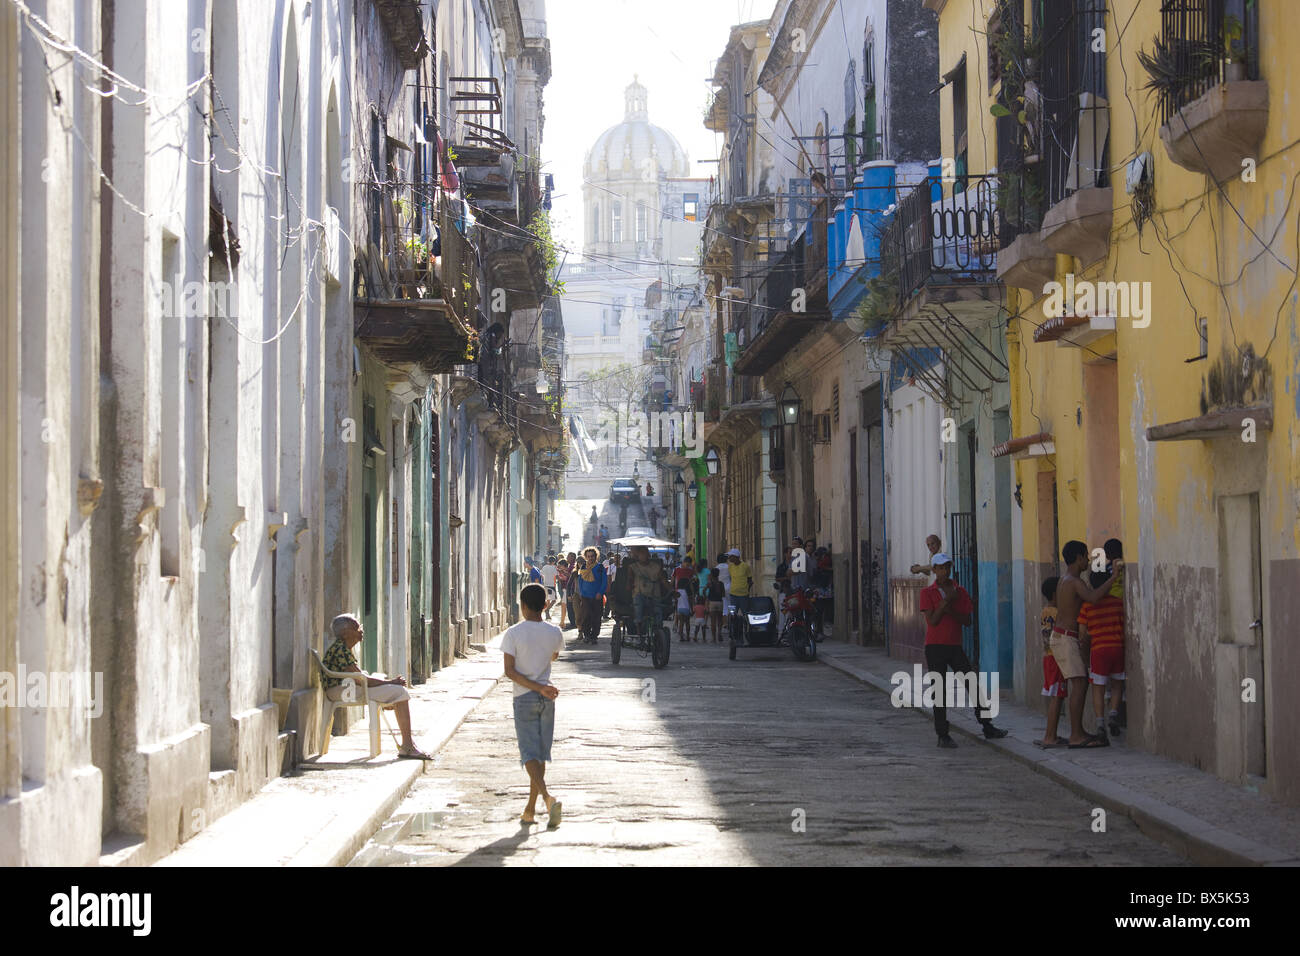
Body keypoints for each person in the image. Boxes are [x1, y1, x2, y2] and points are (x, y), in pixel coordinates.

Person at [919, 554, 1007, 748]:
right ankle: (943, 734)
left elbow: (967, 621)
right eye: (940, 568)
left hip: (954, 646)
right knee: (939, 691)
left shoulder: (960, 591)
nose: (944, 571)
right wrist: (945, 603)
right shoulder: (927, 592)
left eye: (947, 567)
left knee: (972, 684)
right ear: (934, 570)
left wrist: (950, 607)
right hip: (934, 647)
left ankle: (987, 726)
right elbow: (932, 621)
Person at [322, 614, 431, 759]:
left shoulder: (343, 648)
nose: (361, 630)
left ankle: (408, 744)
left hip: (347, 688)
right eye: (357, 627)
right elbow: (363, 680)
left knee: (395, 691)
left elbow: (360, 678)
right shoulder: (340, 649)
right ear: (346, 633)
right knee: (399, 691)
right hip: (341, 691)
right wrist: (391, 682)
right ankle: (407, 746)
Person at [501, 584, 565, 828]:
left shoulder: (513, 633)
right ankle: (529, 809)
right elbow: (553, 656)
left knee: (529, 754)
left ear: (523, 605)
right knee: (539, 756)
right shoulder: (554, 632)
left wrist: (536, 687)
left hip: (525, 697)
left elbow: (509, 671)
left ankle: (547, 798)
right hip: (548, 699)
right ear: (546, 605)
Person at [1054, 540, 1121, 749]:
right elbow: (1092, 598)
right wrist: (1113, 578)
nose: (1089, 560)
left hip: (1064, 637)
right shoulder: (1075, 582)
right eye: (1086, 556)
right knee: (1080, 685)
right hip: (1066, 637)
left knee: (1080, 685)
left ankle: (1079, 732)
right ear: (1078, 558)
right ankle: (1075, 735)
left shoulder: (1064, 580)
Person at [1079, 568, 1126, 742]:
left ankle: (1100, 724)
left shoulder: (1087, 606)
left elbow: (1083, 634)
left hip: (1098, 650)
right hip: (1117, 647)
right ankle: (1113, 713)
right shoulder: (1118, 603)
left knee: (1098, 688)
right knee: (1117, 684)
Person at [1035, 576, 1068, 749]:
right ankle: (1050, 736)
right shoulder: (1056, 613)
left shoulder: (1045, 611)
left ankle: (1051, 734)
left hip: (1048, 657)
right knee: (1057, 697)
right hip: (1056, 659)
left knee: (1056, 697)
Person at [576, 547, 608, 644]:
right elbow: (580, 582)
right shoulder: (583, 568)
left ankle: (594, 636)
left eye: (592, 556)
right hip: (585, 596)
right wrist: (581, 593)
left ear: (596, 556)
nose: (590, 558)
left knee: (596, 617)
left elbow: (604, 582)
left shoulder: (600, 567)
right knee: (586, 616)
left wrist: (600, 592)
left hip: (597, 596)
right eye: (588, 556)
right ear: (585, 557)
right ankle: (587, 635)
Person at [727, 548, 752, 619]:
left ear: (736, 557)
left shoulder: (745, 566)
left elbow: (750, 580)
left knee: (745, 613)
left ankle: (746, 627)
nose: (729, 558)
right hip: (732, 595)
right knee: (732, 614)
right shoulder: (730, 567)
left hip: (743, 595)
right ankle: (733, 628)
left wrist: (747, 590)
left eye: (731, 556)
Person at [705, 569, 726, 643]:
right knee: (720, 620)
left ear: (711, 574)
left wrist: (707, 597)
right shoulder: (721, 583)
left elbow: (704, 591)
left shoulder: (710, 583)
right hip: (720, 602)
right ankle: (719, 633)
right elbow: (723, 594)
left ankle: (714, 638)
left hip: (712, 603)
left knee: (713, 622)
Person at [539, 554, 559, 621]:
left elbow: (541, 574)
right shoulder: (554, 567)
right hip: (552, 585)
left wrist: (545, 580)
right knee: (554, 600)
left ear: (548, 561)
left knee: (548, 599)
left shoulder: (544, 567)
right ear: (554, 561)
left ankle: (547, 615)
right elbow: (556, 576)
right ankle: (547, 610)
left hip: (546, 585)